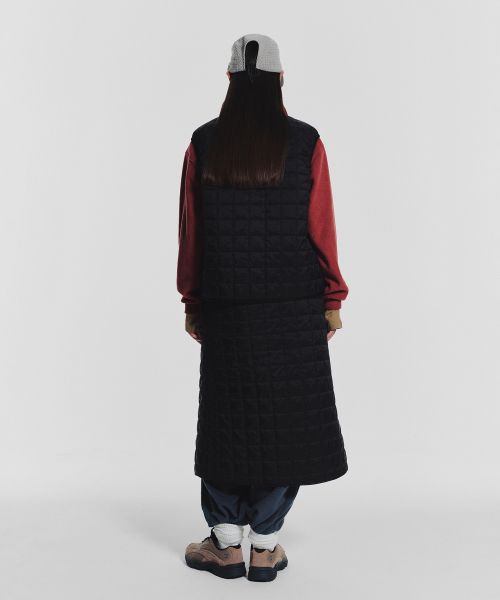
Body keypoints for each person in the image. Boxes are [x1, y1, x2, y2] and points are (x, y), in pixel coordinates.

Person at [177, 33, 349, 582]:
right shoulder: (306, 142)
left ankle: (226, 543)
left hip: (227, 305)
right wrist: (332, 297)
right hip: (294, 308)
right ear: (280, 80)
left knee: (227, 422)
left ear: (229, 79)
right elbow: (321, 227)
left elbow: (192, 235)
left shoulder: (204, 142)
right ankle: (266, 546)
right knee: (284, 426)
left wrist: (192, 300)